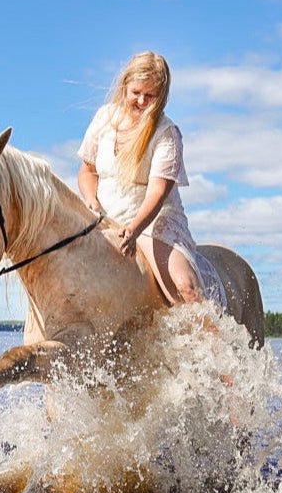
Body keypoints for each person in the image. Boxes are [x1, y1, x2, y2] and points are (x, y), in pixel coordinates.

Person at [77, 51, 225, 312]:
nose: (142, 101)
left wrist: (134, 229)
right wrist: (91, 202)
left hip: (152, 223)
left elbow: (158, 191)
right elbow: (88, 170)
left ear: (162, 97)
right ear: (125, 86)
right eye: (136, 93)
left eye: (151, 96)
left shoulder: (167, 133)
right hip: (105, 218)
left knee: (185, 286)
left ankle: (214, 344)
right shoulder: (104, 118)